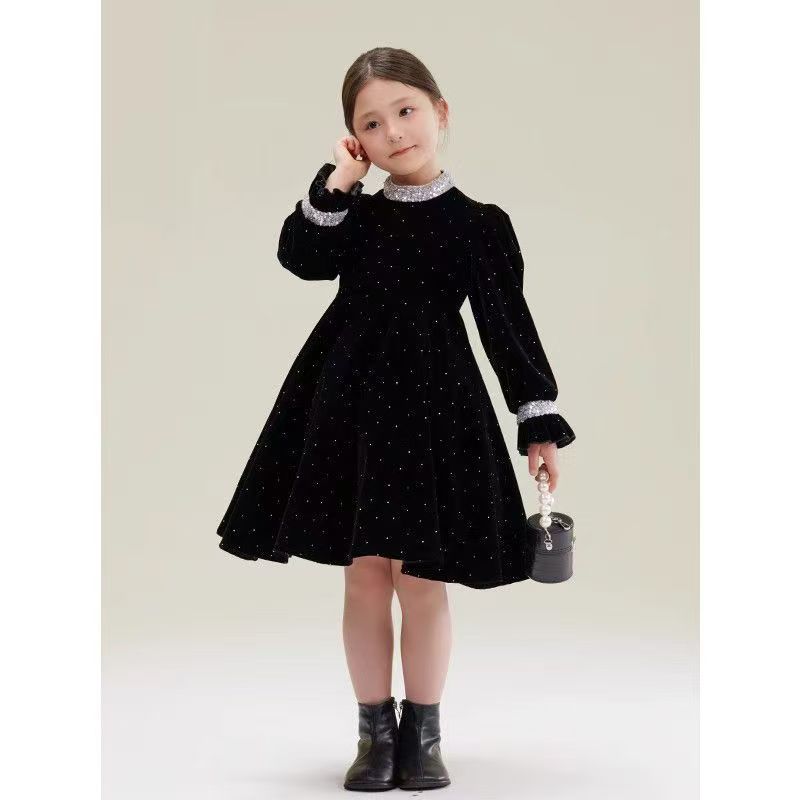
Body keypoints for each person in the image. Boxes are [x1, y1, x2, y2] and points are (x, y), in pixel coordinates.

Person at [216, 46, 576, 792]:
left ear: (440, 112)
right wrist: (340, 181)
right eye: (371, 124)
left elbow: (506, 325)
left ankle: (425, 734)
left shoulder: (479, 225)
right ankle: (373, 732)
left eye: (406, 111)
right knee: (364, 576)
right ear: (355, 139)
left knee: (421, 579)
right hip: (350, 406)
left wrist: (538, 422)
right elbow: (301, 257)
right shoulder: (355, 214)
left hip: (436, 409)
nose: (393, 132)